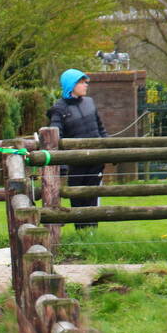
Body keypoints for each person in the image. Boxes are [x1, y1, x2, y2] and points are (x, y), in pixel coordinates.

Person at [48, 69, 108, 230]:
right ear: (71, 85)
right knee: (77, 197)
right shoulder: (58, 109)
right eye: (81, 82)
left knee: (92, 196)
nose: (85, 85)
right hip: (75, 163)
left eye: (85, 82)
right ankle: (81, 232)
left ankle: (92, 232)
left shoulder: (90, 102)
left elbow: (101, 130)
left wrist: (109, 151)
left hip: (96, 160)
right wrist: (61, 164)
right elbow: (55, 137)